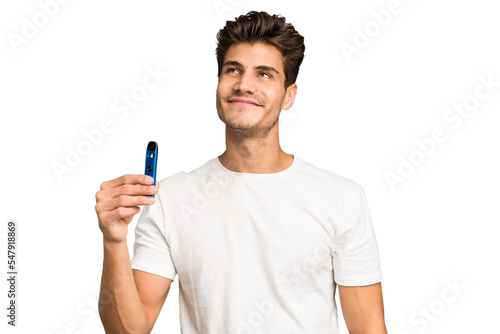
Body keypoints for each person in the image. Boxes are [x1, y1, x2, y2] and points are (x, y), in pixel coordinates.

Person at [96, 10, 387, 334]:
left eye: (264, 74)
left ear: (289, 95)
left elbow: (369, 329)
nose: (244, 84)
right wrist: (113, 241)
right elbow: (127, 331)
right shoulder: (170, 200)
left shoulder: (341, 199)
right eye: (233, 70)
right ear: (219, 83)